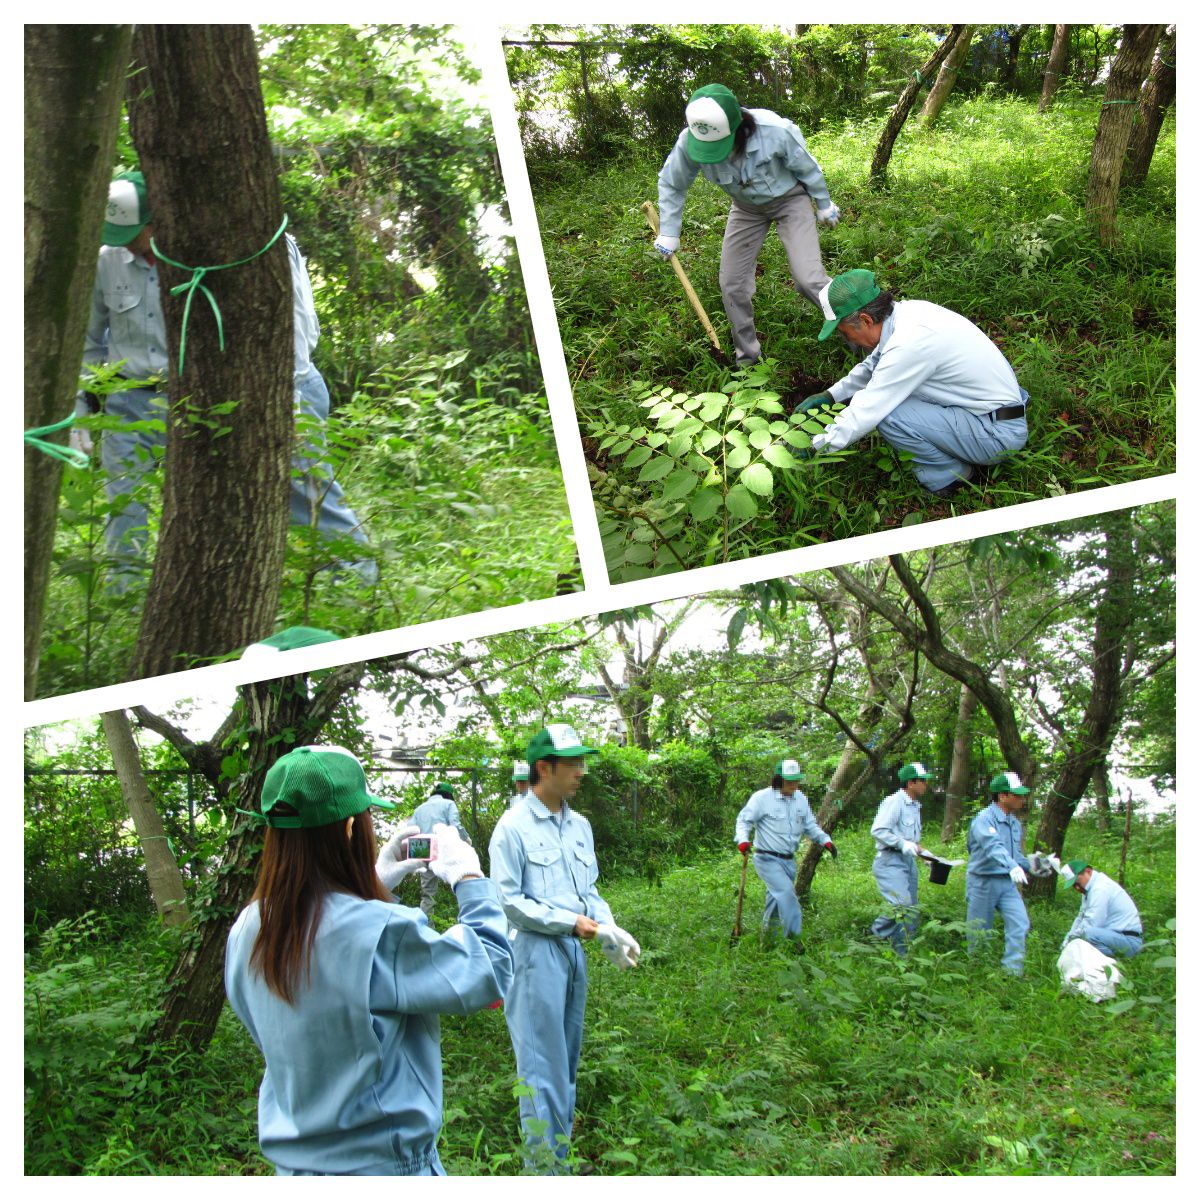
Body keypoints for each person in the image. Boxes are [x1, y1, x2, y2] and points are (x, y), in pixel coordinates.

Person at [76, 170, 377, 589]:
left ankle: (357, 584)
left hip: (247, 392)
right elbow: (89, 341)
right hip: (134, 398)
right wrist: (80, 404)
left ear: (160, 218)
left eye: (134, 232)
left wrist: (277, 399)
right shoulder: (107, 260)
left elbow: (296, 331)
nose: (124, 241)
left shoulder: (235, 247)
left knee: (305, 491)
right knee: (123, 503)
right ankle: (119, 597)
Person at [224, 744, 512, 1175]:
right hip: (385, 1167)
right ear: (348, 829)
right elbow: (489, 970)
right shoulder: (382, 932)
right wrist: (469, 876)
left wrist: (374, 881)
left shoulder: (249, 927)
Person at [488, 724, 640, 1170]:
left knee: (565, 1063)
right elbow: (510, 902)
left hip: (574, 953)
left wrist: (608, 928)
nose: (581, 771)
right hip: (534, 957)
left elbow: (588, 891)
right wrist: (569, 923)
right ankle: (545, 1172)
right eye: (572, 763)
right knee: (541, 1069)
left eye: (581, 762)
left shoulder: (579, 826)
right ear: (543, 768)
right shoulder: (511, 827)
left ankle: (558, 1158)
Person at [801, 269, 1029, 497]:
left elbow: (867, 410)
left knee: (890, 415)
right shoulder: (908, 314)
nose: (847, 339)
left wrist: (815, 446)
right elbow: (874, 365)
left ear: (865, 320)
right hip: (993, 412)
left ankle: (952, 477)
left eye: (845, 333)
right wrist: (832, 395)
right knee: (896, 396)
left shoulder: (909, 344)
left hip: (997, 434)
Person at [654, 83, 838, 365]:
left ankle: (859, 332)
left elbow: (807, 167)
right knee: (731, 284)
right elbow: (671, 182)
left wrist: (823, 203)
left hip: (790, 200)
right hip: (746, 208)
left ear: (739, 128)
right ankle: (748, 359)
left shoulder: (774, 130)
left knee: (808, 278)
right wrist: (669, 231)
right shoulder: (691, 139)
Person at [734, 758, 837, 944]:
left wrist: (825, 841)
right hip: (767, 859)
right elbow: (744, 821)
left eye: (796, 780)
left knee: (775, 902)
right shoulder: (762, 798)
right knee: (788, 897)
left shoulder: (800, 799)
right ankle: (795, 942)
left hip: (789, 861)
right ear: (778, 779)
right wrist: (742, 840)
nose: (793, 784)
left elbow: (810, 826)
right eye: (789, 780)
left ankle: (767, 943)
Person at [965, 771, 1034, 975]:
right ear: (1003, 796)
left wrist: (1036, 864)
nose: (1022, 798)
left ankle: (1013, 971)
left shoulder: (1014, 823)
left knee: (1020, 923)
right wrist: (1012, 866)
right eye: (1017, 794)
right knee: (979, 930)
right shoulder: (984, 820)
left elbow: (1017, 856)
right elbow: (993, 846)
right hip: (983, 881)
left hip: (1007, 883)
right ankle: (977, 972)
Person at [869, 762, 931, 955]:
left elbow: (910, 839)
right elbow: (878, 830)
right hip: (890, 860)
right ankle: (875, 936)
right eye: (923, 781)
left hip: (907, 861)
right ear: (911, 783)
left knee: (911, 910)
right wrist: (902, 844)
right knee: (900, 905)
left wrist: (926, 855)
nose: (926, 785)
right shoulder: (894, 801)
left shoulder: (914, 806)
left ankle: (903, 953)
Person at [410, 782, 472, 918]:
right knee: (459, 884)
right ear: (449, 795)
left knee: (427, 893)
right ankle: (465, 921)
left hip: (422, 847)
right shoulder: (449, 804)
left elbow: (410, 831)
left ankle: (426, 927)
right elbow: (455, 825)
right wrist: (466, 840)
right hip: (443, 846)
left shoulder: (419, 809)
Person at [1059, 859, 1144, 958]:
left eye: (1077, 882)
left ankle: (1115, 962)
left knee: (1087, 935)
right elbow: (1080, 918)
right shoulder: (1088, 889)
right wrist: (1065, 943)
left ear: (1088, 871)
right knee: (1082, 938)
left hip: (1128, 941)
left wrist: (1071, 941)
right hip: (1112, 937)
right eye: (1074, 885)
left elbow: (1093, 923)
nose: (1077, 888)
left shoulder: (1100, 888)